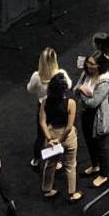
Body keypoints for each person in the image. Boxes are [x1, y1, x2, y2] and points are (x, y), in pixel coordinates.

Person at [38, 69, 82, 201]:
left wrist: (50, 139)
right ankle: (72, 193)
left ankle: (47, 189)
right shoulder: (71, 103)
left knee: (50, 163)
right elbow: (69, 126)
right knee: (70, 164)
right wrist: (61, 139)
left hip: (52, 133)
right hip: (67, 137)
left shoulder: (45, 102)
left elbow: (42, 121)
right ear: (64, 89)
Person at [77, 57, 109, 188]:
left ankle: (104, 174)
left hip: (99, 119)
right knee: (89, 143)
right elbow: (75, 88)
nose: (89, 66)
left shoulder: (104, 82)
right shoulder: (86, 74)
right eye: (88, 63)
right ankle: (95, 166)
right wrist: (82, 91)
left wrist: (82, 92)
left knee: (101, 147)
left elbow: (93, 103)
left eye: (92, 64)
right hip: (86, 115)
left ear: (100, 65)